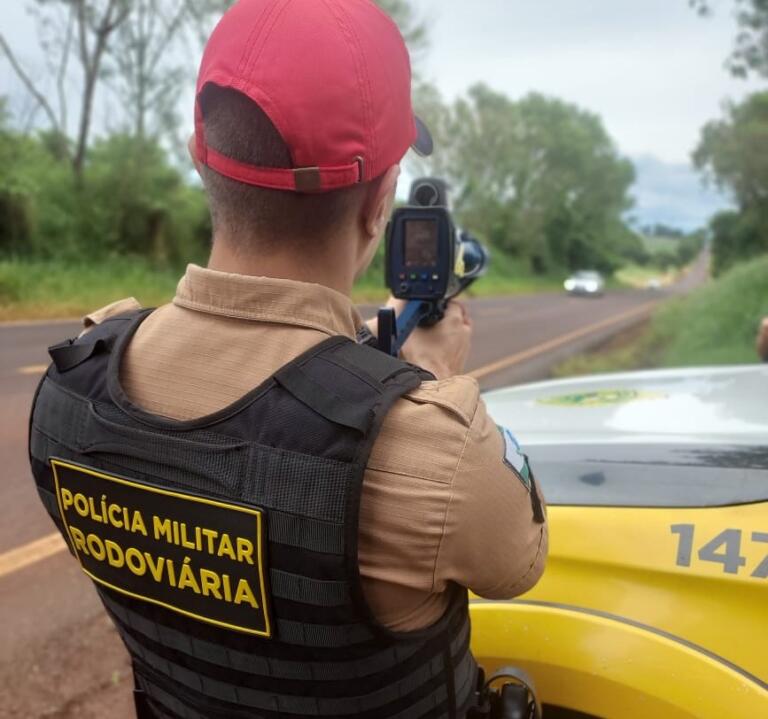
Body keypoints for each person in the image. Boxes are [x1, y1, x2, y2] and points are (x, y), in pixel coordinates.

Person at [29, 1, 547, 717]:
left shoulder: (72, 385)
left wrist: (366, 363)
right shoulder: (434, 445)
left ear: (198, 154)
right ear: (379, 202)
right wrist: (426, 378)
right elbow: (521, 559)